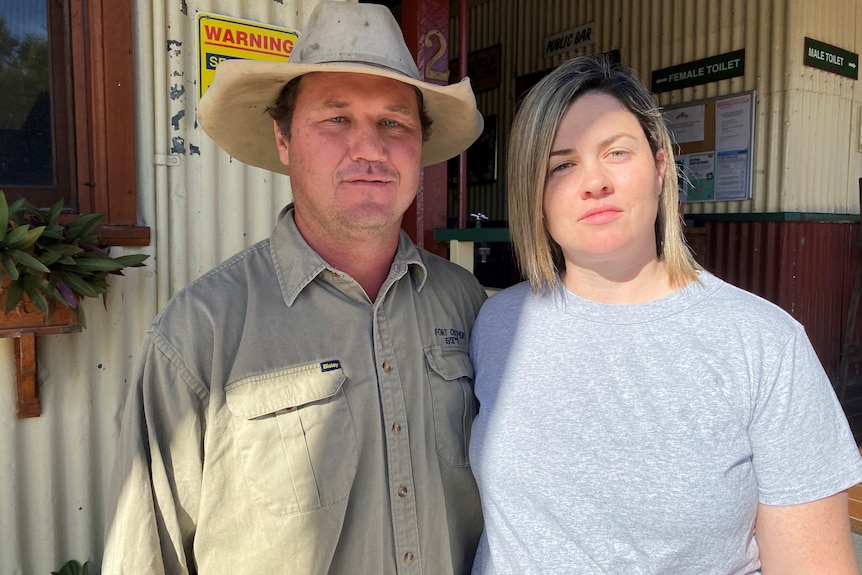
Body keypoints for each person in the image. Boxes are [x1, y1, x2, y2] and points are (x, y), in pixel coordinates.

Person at [102, 3, 487, 573]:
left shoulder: (466, 304)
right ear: (283, 140)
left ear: (419, 145)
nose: (370, 148)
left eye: (394, 122)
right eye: (336, 119)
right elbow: (147, 554)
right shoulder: (199, 332)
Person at [468, 55, 862, 574]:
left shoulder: (765, 344)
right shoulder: (496, 324)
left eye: (616, 152)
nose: (594, 181)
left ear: (658, 169)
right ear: (534, 196)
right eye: (561, 165)